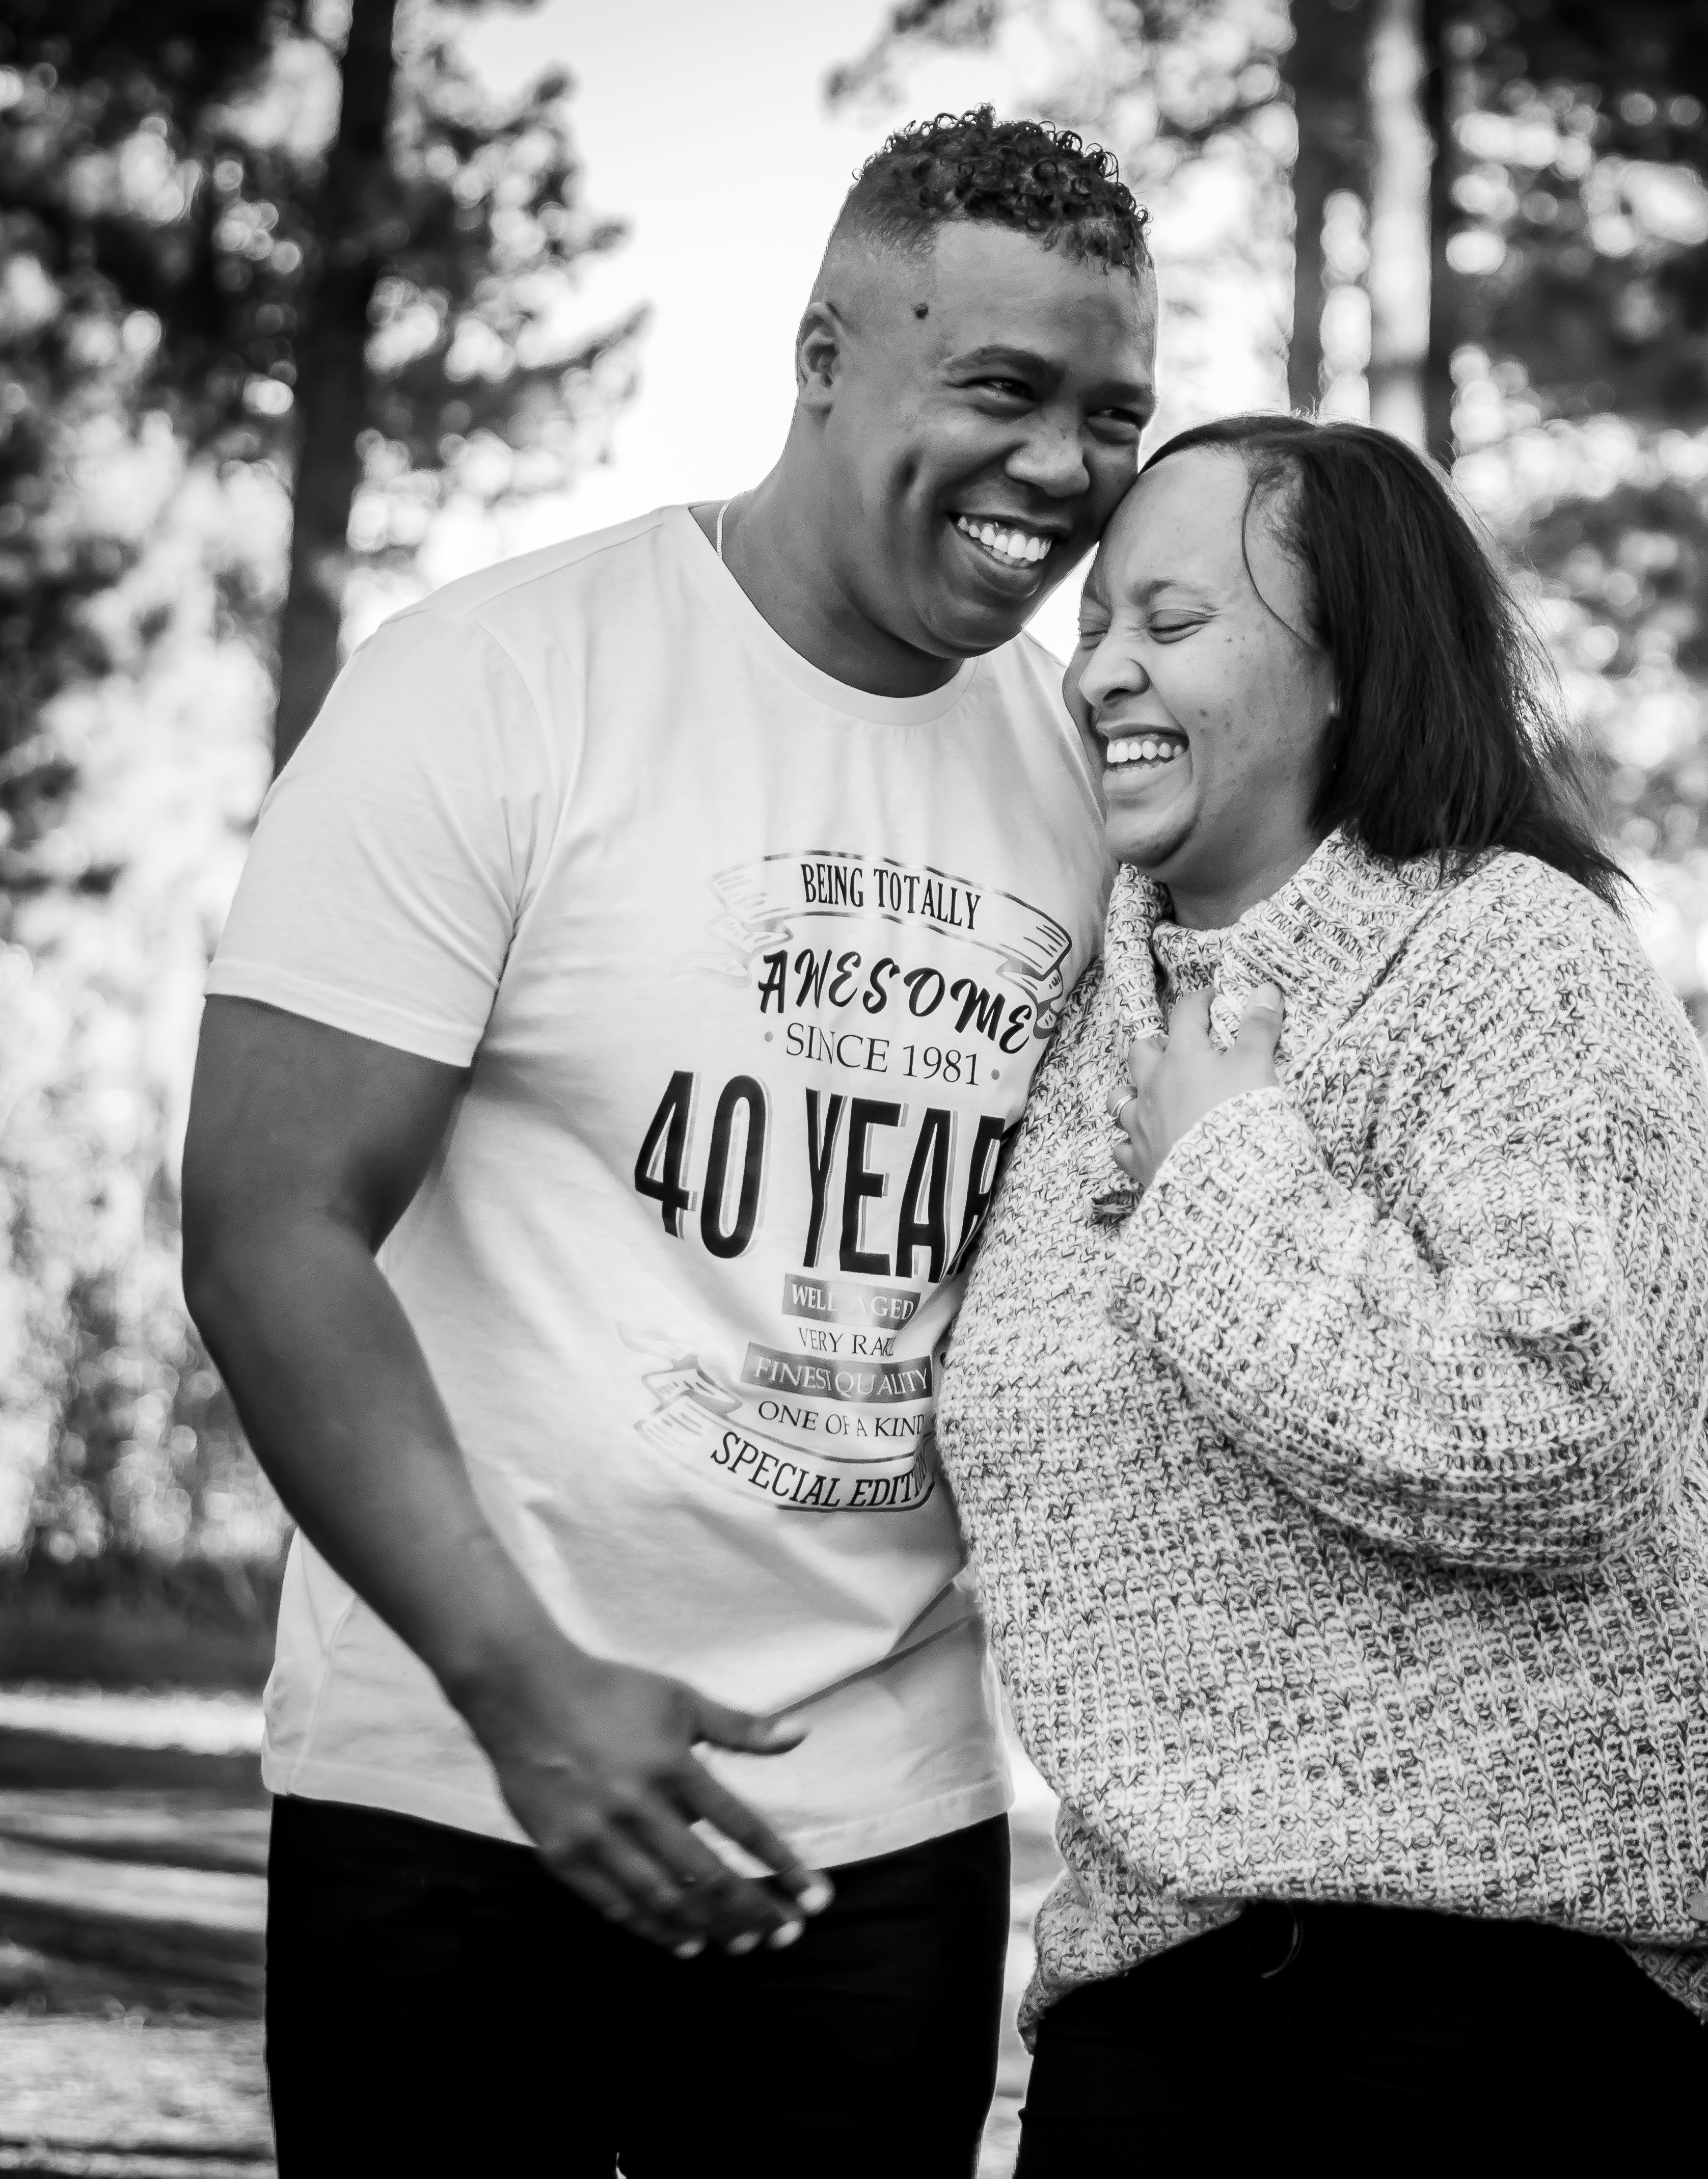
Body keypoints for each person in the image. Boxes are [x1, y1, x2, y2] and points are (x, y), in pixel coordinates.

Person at [180, 111, 1156, 2177]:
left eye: (1110, 413)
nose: (1063, 470)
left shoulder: (1095, 784)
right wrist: (518, 1679)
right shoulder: (501, 680)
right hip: (453, 1772)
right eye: (1002, 389)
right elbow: (269, 1222)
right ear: (820, 359)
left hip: (883, 1820)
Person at [935, 414, 1708, 2178]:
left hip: (1536, 1920)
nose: (1104, 664)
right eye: (1096, 619)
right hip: (1174, 1927)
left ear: (1349, 666)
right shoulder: (1080, 994)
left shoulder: (1509, 948)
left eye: (1174, 624)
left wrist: (1225, 1181)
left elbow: (1566, 1432)